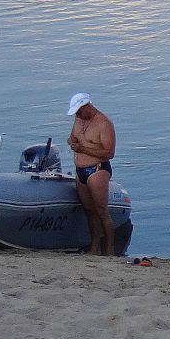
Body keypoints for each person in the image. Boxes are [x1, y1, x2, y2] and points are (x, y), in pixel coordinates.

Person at [65, 91, 118, 256]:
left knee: (101, 210)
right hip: (80, 170)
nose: (78, 115)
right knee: (89, 210)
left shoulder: (104, 123)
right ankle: (94, 247)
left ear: (87, 106)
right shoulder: (79, 119)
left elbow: (109, 153)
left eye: (79, 111)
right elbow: (72, 137)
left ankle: (109, 249)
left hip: (97, 169)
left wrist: (83, 148)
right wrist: (72, 142)